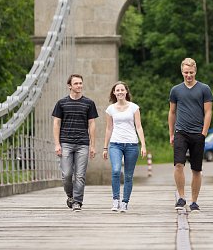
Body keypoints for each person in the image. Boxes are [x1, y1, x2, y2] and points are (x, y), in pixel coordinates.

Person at [168, 57, 213, 212]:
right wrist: (171, 133)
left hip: (198, 133)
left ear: (195, 71)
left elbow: (208, 112)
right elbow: (172, 112)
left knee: (196, 169)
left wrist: (204, 133)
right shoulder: (175, 90)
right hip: (181, 131)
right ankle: (181, 198)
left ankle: (194, 201)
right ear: (182, 72)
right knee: (179, 164)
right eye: (186, 72)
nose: (189, 75)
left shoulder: (204, 89)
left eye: (191, 73)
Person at [52, 74, 99, 212]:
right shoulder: (61, 103)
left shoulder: (89, 103)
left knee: (80, 175)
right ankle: (70, 196)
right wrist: (57, 144)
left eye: (80, 83)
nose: (79, 85)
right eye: (76, 83)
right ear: (70, 86)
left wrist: (93, 145)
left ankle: (77, 201)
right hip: (66, 142)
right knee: (66, 174)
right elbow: (56, 123)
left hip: (83, 143)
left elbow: (92, 124)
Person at [102, 81, 147, 212]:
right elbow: (109, 129)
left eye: (122, 90)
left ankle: (125, 202)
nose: (120, 92)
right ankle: (115, 200)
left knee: (128, 176)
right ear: (114, 93)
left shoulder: (134, 107)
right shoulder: (110, 110)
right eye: (118, 90)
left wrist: (143, 145)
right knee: (116, 170)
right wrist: (105, 147)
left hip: (132, 145)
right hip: (115, 144)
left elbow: (139, 126)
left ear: (126, 92)